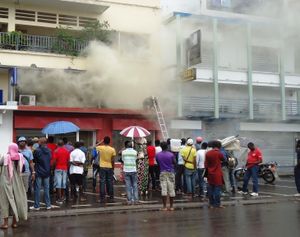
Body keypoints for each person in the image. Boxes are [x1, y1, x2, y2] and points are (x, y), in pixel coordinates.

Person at [0, 143, 28, 229]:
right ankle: (14, 223)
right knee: (16, 200)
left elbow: (0, 164)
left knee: (4, 201)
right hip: (17, 181)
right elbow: (24, 168)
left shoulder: (5, 157)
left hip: (6, 180)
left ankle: (5, 224)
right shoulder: (20, 156)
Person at [30, 137, 52, 211]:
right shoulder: (49, 150)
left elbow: (34, 161)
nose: (37, 142)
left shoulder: (37, 151)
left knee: (37, 189)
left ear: (41, 142)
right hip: (47, 171)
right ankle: (48, 205)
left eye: (39, 141)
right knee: (46, 189)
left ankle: (37, 206)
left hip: (39, 171)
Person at [156, 141, 176, 211]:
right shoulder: (171, 154)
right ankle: (171, 206)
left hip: (162, 172)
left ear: (161, 147)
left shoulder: (158, 155)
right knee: (171, 189)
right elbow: (174, 162)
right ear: (167, 146)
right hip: (170, 172)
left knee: (164, 190)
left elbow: (158, 163)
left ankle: (164, 207)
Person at [205, 140, 224, 208]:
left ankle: (211, 204)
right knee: (217, 189)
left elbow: (206, 165)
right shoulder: (219, 153)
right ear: (219, 146)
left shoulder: (208, 153)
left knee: (210, 189)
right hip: (217, 174)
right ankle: (217, 204)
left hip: (210, 173)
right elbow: (223, 160)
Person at [96, 136, 116, 203]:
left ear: (104, 141)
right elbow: (113, 160)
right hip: (109, 166)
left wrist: (101, 141)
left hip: (102, 167)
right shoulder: (112, 149)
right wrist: (113, 168)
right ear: (109, 142)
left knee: (102, 182)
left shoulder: (101, 148)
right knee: (110, 182)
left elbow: (95, 146)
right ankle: (111, 197)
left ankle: (102, 198)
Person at [52, 139, 70, 204]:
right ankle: (63, 196)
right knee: (63, 183)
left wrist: (52, 168)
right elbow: (68, 161)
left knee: (58, 183)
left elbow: (54, 161)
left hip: (58, 168)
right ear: (63, 144)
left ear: (58, 144)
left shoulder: (56, 151)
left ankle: (59, 198)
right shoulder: (67, 151)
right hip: (65, 168)